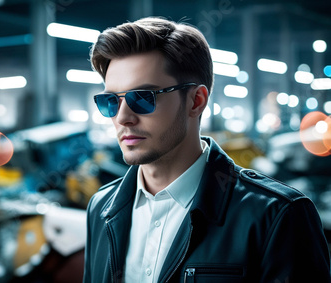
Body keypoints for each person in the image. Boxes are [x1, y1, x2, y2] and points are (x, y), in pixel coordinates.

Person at [83, 17, 331, 283]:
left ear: (196, 101)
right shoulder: (102, 208)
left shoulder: (277, 216)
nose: (122, 118)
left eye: (143, 98)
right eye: (110, 101)